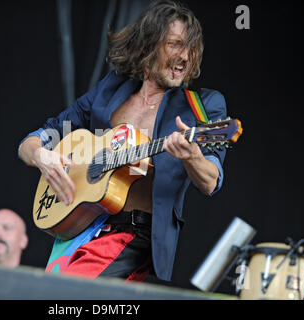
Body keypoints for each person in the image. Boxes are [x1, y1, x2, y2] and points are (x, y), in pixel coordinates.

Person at [18, 0, 227, 282]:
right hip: (81, 223)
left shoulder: (202, 106)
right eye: (175, 44)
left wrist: (193, 156)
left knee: (66, 295)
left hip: (131, 234)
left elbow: (211, 181)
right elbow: (39, 138)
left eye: (191, 48)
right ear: (148, 44)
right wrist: (41, 157)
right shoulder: (111, 88)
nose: (185, 56)